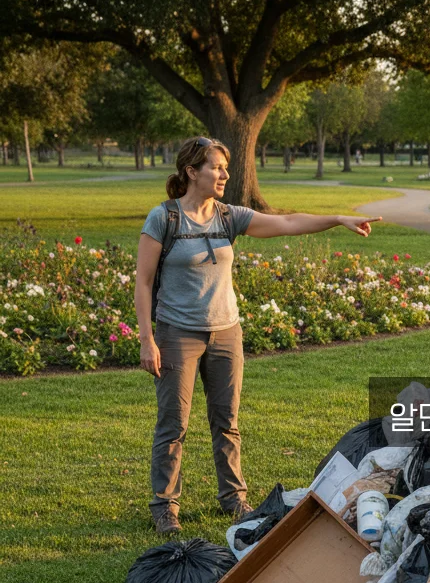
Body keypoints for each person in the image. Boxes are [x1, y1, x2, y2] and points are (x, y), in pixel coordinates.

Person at [135, 136, 383, 535]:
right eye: (216, 167)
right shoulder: (164, 219)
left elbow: (286, 222)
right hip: (178, 333)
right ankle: (165, 506)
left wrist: (338, 219)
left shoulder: (228, 216)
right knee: (172, 423)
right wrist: (147, 339)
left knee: (227, 421)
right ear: (191, 172)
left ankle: (233, 499)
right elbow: (144, 283)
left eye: (225, 167)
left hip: (226, 331)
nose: (224, 174)